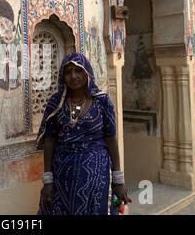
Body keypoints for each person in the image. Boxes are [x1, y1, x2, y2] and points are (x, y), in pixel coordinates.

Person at [36, 52, 130, 215]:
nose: (73, 76)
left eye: (78, 71)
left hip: (96, 174)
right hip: (63, 174)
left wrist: (118, 179)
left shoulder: (102, 102)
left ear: (87, 72)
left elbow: (111, 139)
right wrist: (48, 180)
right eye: (68, 72)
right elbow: (49, 141)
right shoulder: (55, 103)